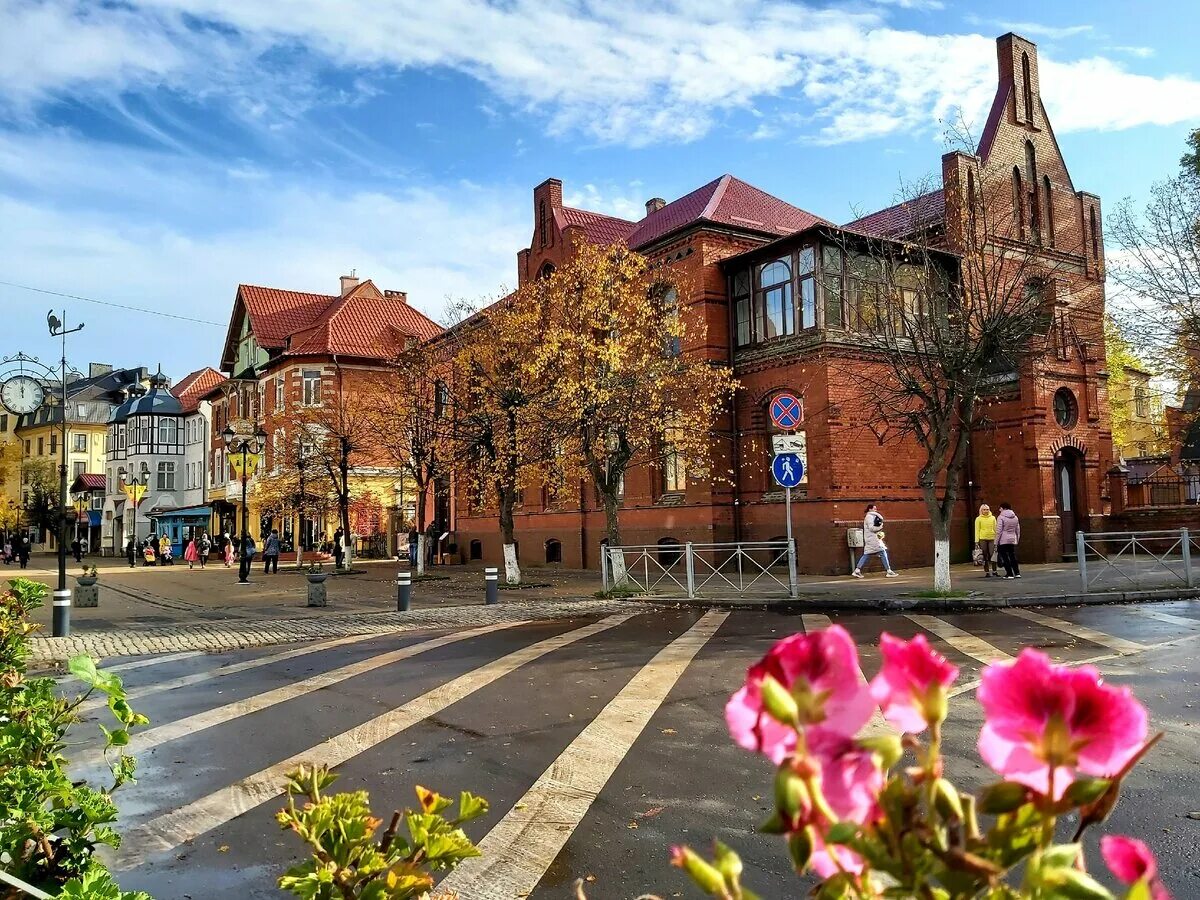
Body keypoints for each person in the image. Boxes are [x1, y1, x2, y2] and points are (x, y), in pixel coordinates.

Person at [852, 503, 899, 578]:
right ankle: (888, 571)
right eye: (874, 508)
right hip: (873, 539)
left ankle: (857, 570)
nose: (876, 510)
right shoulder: (870, 517)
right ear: (870, 509)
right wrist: (880, 527)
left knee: (867, 554)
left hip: (871, 538)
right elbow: (872, 528)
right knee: (882, 552)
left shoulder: (870, 516)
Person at [996, 502, 1021, 579]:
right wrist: (1017, 539)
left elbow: (999, 530)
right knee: (1012, 555)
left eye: (1000, 508)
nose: (999, 509)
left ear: (1003, 508)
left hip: (1003, 540)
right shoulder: (1015, 517)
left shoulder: (1001, 517)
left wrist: (996, 541)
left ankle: (1009, 574)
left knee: (1005, 557)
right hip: (1012, 539)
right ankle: (1017, 573)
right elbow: (1018, 530)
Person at [974, 504, 999, 577]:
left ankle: (994, 571)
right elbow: (977, 530)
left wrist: (996, 539)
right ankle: (987, 572)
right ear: (981, 510)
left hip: (992, 538)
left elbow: (996, 528)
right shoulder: (978, 519)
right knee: (984, 556)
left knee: (993, 555)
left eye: (987, 509)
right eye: (984, 509)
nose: (986, 511)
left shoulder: (993, 518)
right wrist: (976, 541)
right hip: (982, 539)